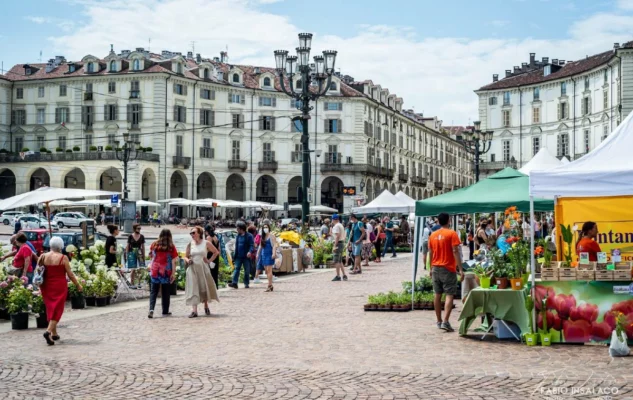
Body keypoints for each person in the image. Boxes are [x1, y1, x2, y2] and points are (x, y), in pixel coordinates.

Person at [38, 236, 82, 345]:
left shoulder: (43, 256)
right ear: (61, 246)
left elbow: (37, 271)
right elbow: (70, 274)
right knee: (58, 309)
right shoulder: (63, 258)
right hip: (59, 285)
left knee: (50, 308)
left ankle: (54, 334)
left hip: (46, 285)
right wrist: (78, 285)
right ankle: (48, 332)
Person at [429, 212, 464, 332]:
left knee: (437, 294)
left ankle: (438, 321)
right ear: (449, 221)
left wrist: (430, 268)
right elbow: (455, 251)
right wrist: (460, 268)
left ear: (438, 221)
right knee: (449, 294)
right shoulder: (451, 233)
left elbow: (431, 252)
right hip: (448, 268)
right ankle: (445, 321)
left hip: (435, 267)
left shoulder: (432, 235)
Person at [184, 226, 219, 317]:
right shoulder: (190, 244)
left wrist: (209, 260)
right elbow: (185, 256)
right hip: (192, 268)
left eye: (194, 233)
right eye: (191, 233)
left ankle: (206, 305)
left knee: (203, 287)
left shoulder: (206, 243)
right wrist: (188, 261)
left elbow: (216, 252)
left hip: (203, 268)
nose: (192, 235)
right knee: (193, 288)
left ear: (199, 233)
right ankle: (194, 311)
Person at [148, 229, 179, 318]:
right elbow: (173, 261)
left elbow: (151, 256)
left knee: (153, 291)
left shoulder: (154, 244)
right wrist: (173, 273)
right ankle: (165, 310)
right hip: (166, 271)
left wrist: (151, 267)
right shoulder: (171, 246)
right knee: (166, 292)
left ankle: (151, 310)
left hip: (155, 270)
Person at [229, 221, 254, 289]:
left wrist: (250, 252)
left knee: (247, 270)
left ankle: (246, 283)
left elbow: (252, 245)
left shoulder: (249, 236)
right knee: (237, 269)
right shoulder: (238, 236)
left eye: (237, 228)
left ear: (241, 229)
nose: (236, 229)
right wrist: (234, 256)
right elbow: (236, 246)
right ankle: (234, 283)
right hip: (239, 256)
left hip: (246, 257)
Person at [256, 220, 278, 292]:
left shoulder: (272, 236)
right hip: (263, 254)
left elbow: (274, 245)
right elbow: (260, 246)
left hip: (269, 254)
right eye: (264, 227)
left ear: (269, 228)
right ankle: (270, 285)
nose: (265, 228)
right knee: (266, 270)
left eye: (266, 227)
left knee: (269, 270)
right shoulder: (263, 236)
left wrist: (274, 253)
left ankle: (269, 285)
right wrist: (257, 254)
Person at [125, 223, 145, 289]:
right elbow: (127, 246)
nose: (139, 230)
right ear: (134, 229)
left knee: (140, 268)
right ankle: (132, 283)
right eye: (138, 228)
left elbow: (143, 247)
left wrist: (143, 256)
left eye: (140, 228)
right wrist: (127, 255)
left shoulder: (142, 236)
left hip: (139, 253)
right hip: (132, 253)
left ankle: (139, 283)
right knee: (133, 269)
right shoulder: (130, 236)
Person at [331, 214, 348, 281]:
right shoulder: (340, 225)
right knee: (340, 260)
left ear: (333, 219)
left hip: (338, 244)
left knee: (336, 261)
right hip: (341, 243)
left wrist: (335, 245)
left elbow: (337, 236)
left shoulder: (336, 226)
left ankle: (338, 276)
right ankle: (344, 275)